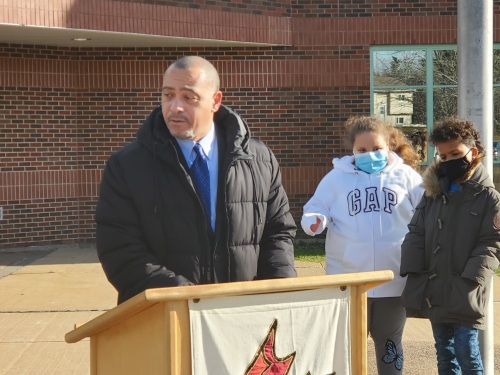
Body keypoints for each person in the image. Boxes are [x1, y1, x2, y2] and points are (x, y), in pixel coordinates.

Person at [95, 56, 297, 304]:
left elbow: (278, 233)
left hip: (245, 318)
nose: (174, 107)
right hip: (167, 319)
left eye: (188, 97)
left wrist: (278, 293)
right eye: (168, 95)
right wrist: (190, 299)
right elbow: (120, 250)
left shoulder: (259, 159)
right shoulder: (126, 166)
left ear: (215, 101)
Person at [301, 116, 424, 374]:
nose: (370, 155)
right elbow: (316, 207)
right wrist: (315, 220)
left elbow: (429, 208)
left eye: (377, 149)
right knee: (346, 347)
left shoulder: (406, 177)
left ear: (389, 145)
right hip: (349, 280)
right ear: (352, 150)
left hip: (393, 279)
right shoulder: (336, 179)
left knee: (390, 344)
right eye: (362, 151)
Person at [400, 117, 500, 374]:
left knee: (467, 352)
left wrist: (470, 277)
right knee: (444, 352)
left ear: (473, 152)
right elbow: (416, 230)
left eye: (455, 153)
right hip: (434, 284)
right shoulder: (432, 193)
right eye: (443, 156)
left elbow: (492, 242)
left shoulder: (489, 198)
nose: (449, 160)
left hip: (466, 287)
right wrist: (414, 268)